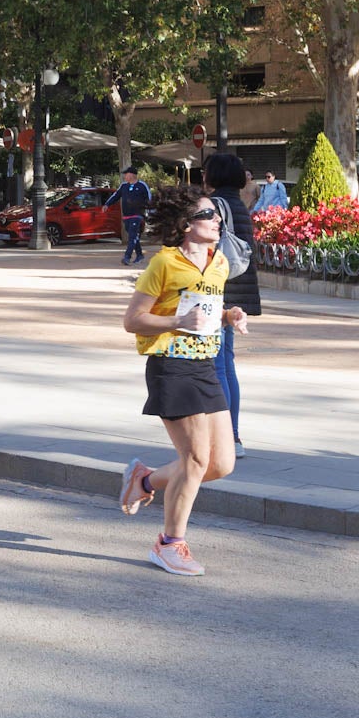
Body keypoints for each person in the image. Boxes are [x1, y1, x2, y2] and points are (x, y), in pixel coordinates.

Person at [117, 186, 248, 577]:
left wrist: (229, 316)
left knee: (221, 464)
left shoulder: (219, 262)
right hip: (170, 364)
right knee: (194, 460)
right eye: (209, 215)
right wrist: (176, 321)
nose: (217, 220)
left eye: (217, 215)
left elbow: (207, 309)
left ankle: (145, 479)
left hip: (206, 366)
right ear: (186, 224)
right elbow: (132, 320)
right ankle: (169, 544)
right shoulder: (164, 263)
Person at [205, 153, 262, 459]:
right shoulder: (239, 204)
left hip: (218, 290)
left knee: (217, 365)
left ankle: (225, 439)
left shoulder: (214, 204)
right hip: (237, 290)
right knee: (226, 364)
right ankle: (234, 436)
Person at [104, 166, 152, 265]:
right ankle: (139, 255)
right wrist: (107, 204)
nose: (125, 176)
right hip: (126, 216)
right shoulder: (123, 186)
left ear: (132, 175)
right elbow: (115, 196)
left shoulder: (142, 185)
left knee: (132, 236)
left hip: (137, 215)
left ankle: (127, 257)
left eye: (126, 174)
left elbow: (149, 199)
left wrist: (151, 212)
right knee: (134, 237)